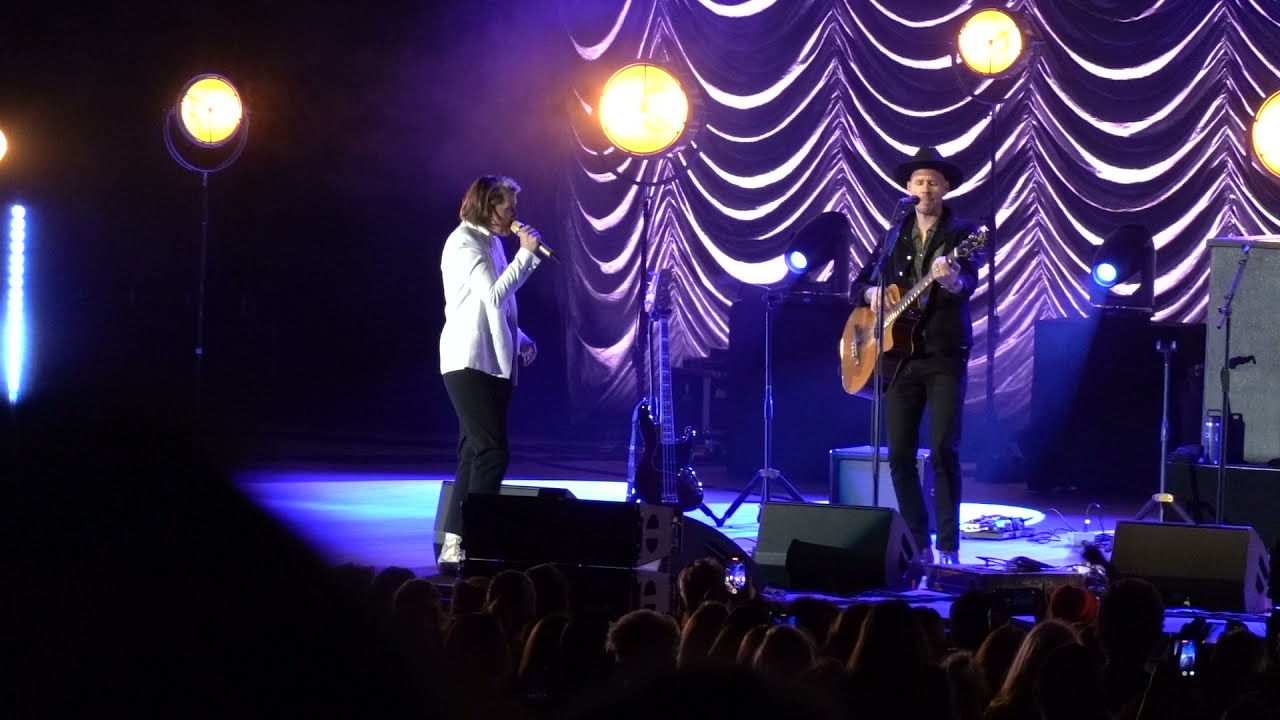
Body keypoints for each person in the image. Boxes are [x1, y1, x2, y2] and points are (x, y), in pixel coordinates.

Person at [851, 146, 981, 566]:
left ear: (946, 188)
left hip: (944, 355)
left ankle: (948, 546)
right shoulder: (895, 233)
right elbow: (861, 283)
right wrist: (871, 293)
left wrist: (954, 277)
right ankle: (917, 543)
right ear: (908, 187)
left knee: (944, 449)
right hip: (899, 360)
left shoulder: (963, 233)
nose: (925, 188)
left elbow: (969, 284)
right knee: (900, 456)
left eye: (933, 182)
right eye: (918, 181)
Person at [438, 175, 546, 571]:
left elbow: (489, 309)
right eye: (508, 207)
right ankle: (478, 541)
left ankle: (455, 546)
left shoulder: (492, 243)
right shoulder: (463, 243)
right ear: (487, 205)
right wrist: (527, 255)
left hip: (493, 360)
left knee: (472, 454)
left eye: (515, 207)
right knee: (492, 453)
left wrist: (519, 337)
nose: (514, 215)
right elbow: (495, 294)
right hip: (468, 361)